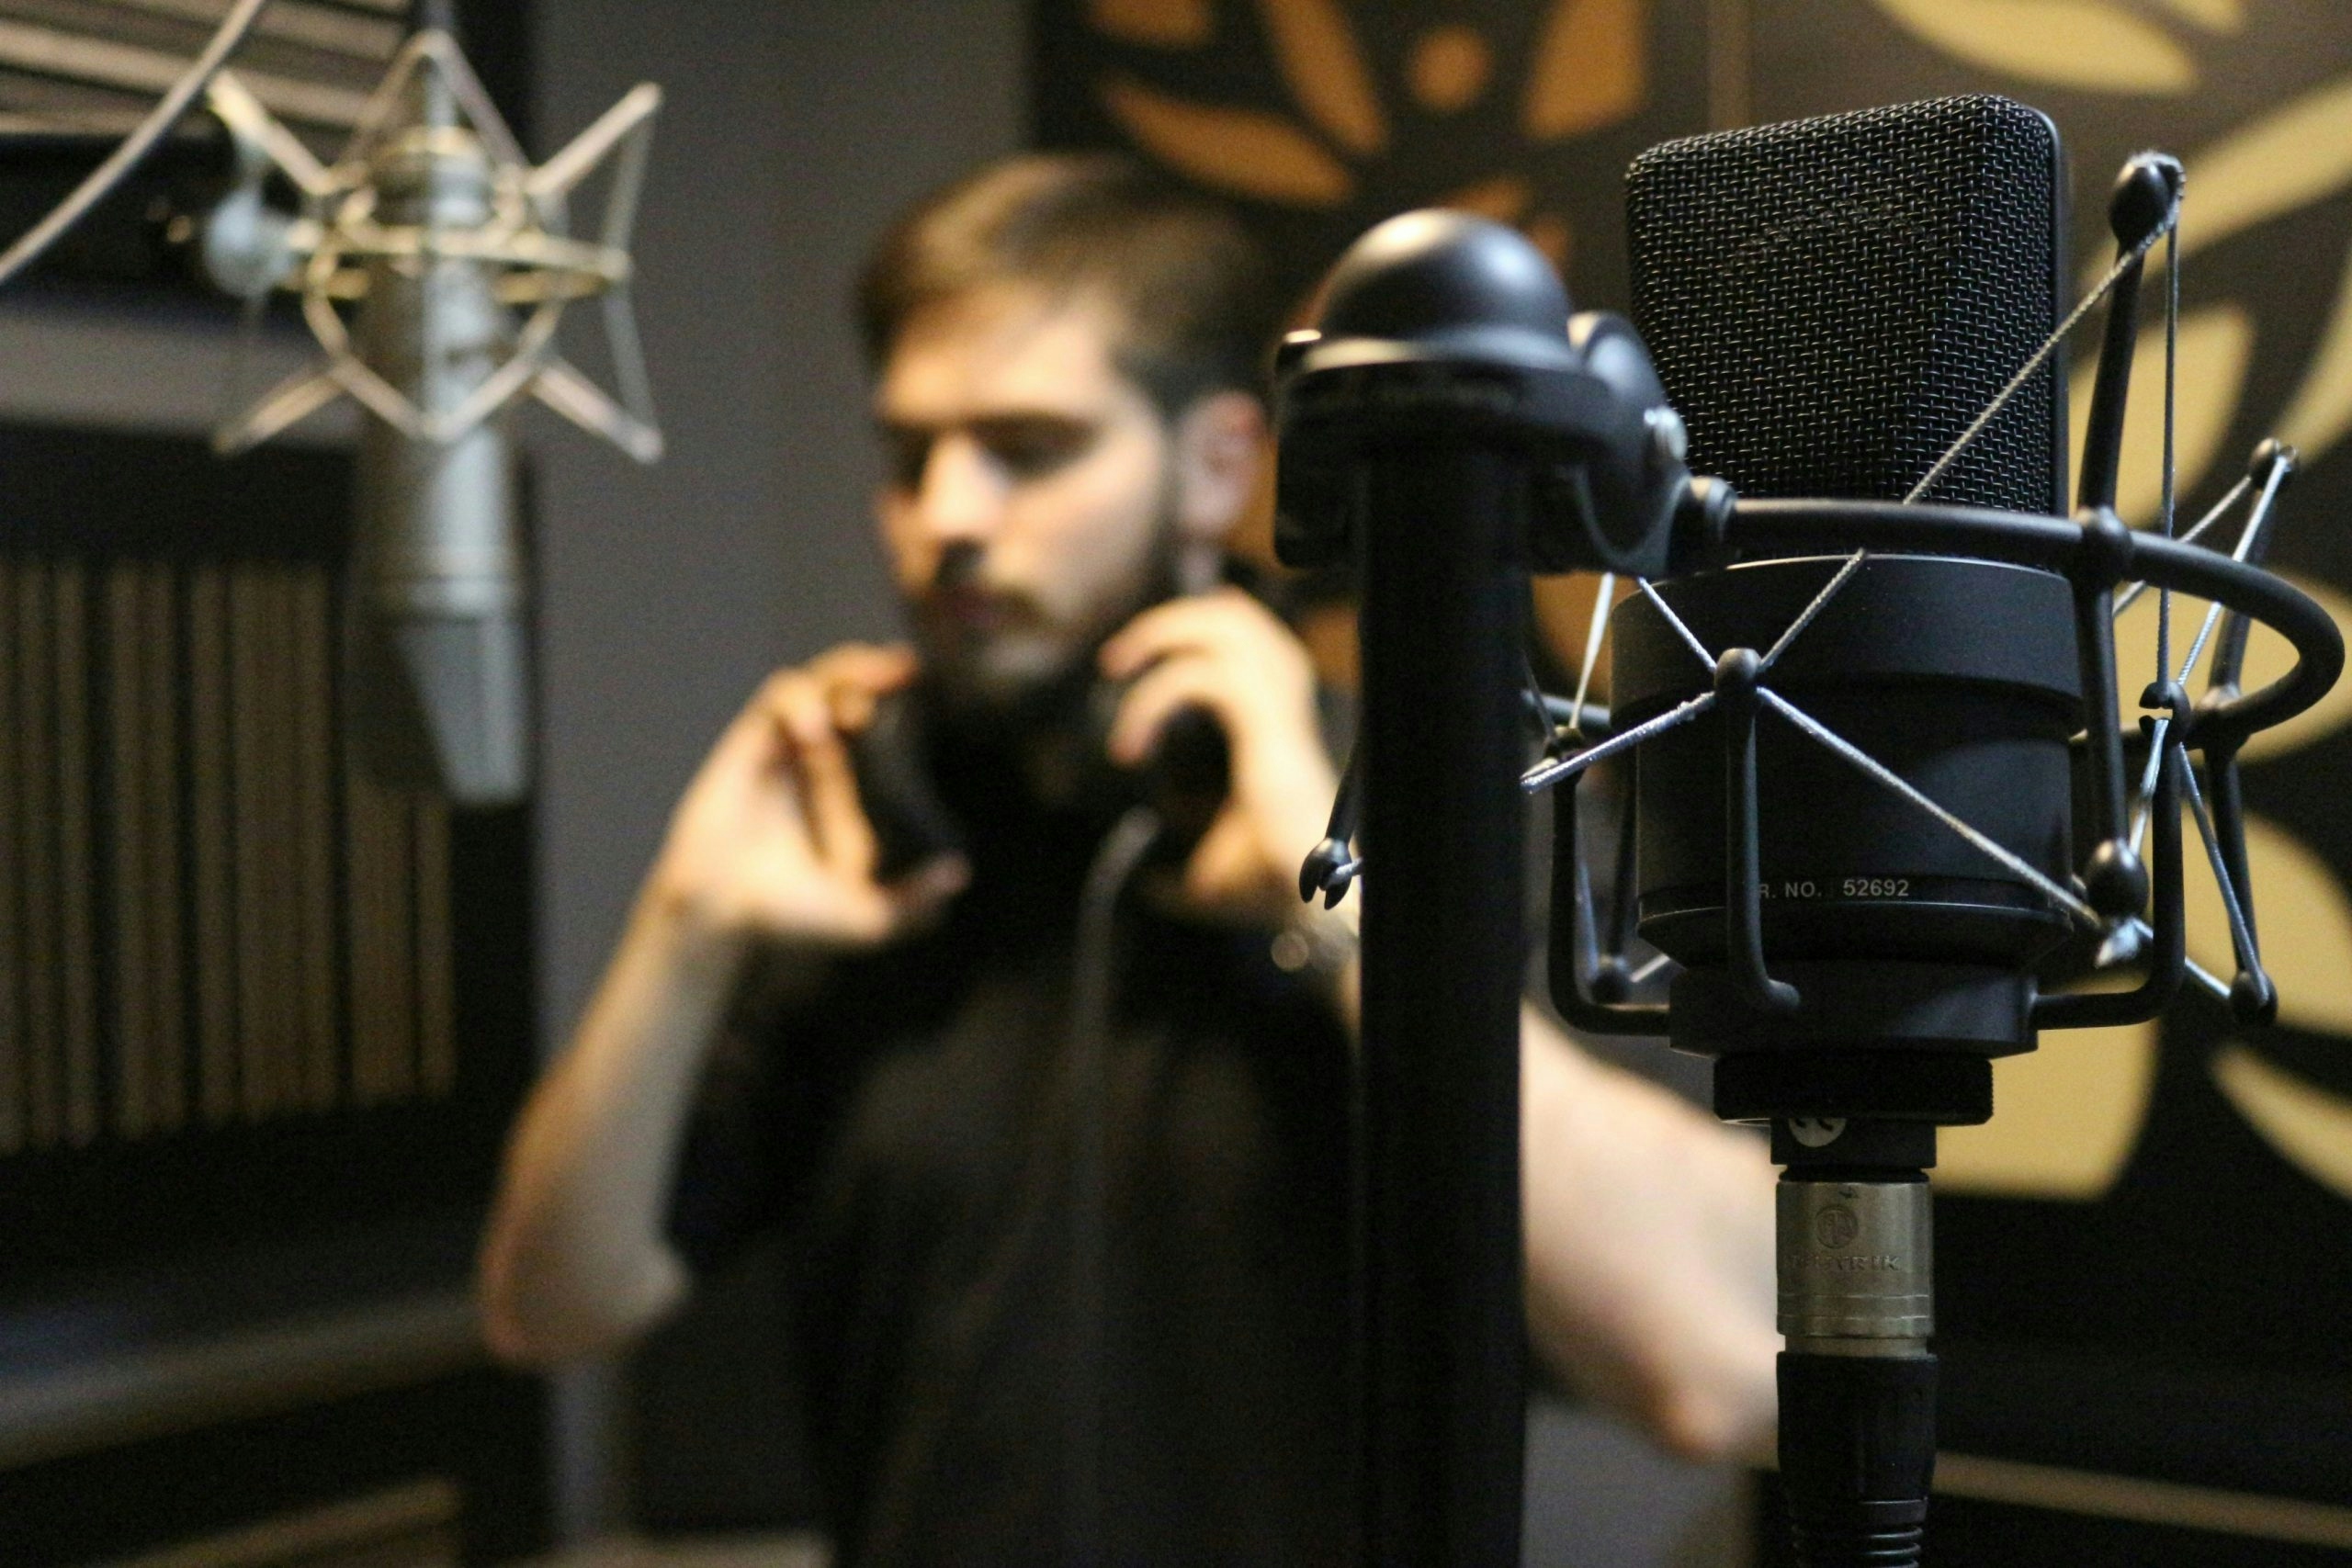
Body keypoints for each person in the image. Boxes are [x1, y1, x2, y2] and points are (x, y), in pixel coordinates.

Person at [479, 153, 1777, 1564]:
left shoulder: (1439, 817)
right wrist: (686, 925)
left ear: (1219, 464)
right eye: (910, 456)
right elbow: (550, 1309)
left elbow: (1719, 1372)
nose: (947, 517)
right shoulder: (865, 847)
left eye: (1027, 448)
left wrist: (1334, 915)